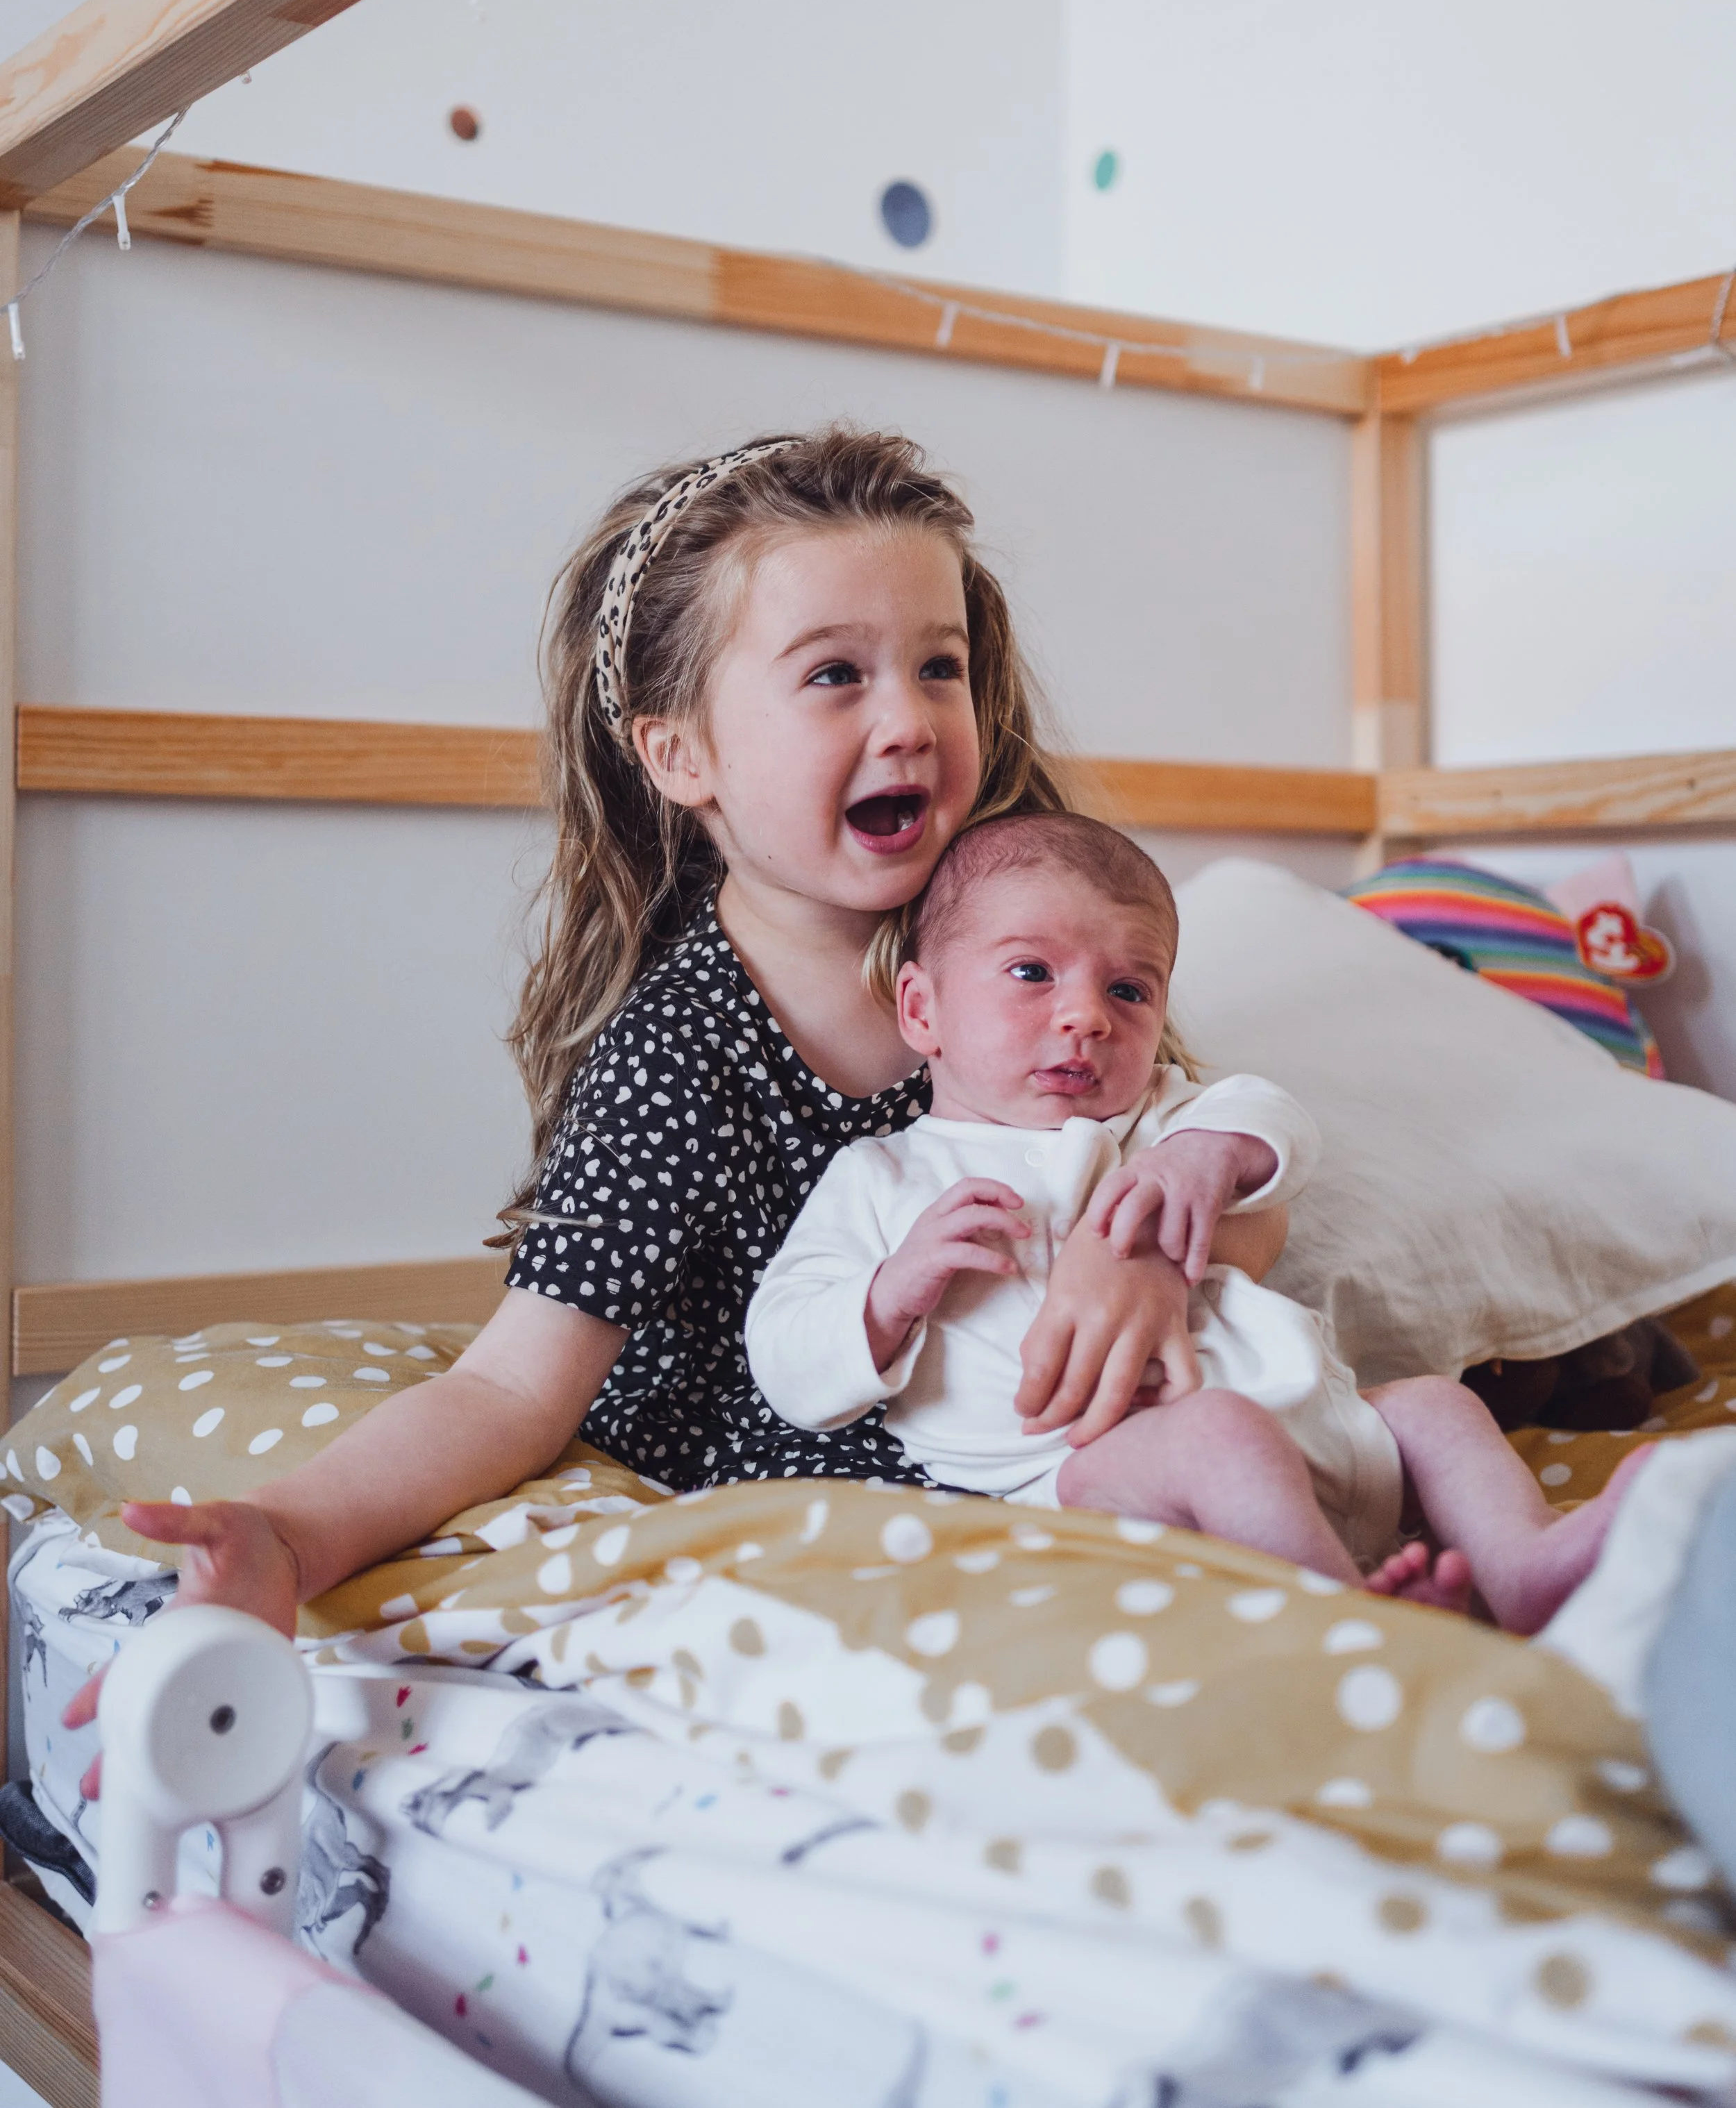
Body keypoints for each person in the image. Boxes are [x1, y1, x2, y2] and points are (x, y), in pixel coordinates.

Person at [66, 428, 1192, 1780]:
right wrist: (292, 1535)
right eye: (834, 674)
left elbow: (1212, 1161)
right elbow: (507, 1388)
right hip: (820, 1489)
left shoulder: (1043, 971)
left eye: (936, 667)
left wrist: (1154, 1264)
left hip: (1031, 1441)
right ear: (680, 756)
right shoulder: (683, 1052)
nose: (906, 718)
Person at [745, 813, 1649, 1627]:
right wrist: (888, 1293)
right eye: (1031, 972)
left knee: (1437, 1406)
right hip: (1078, 1480)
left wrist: (1204, 1155)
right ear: (921, 1007)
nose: (1086, 1016)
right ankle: (1343, 1622)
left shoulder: (1157, 1119)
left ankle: (1526, 1566)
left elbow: (1275, 1120)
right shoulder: (885, 1177)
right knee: (1221, 1433)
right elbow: (783, 1347)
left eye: (1130, 991)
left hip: (1323, 1428)